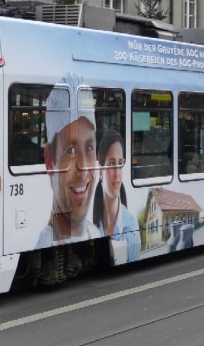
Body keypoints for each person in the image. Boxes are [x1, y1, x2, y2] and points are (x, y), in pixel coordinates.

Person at [36, 74, 100, 247]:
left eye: (89, 148)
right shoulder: (45, 247)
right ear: (49, 160)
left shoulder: (95, 233)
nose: (84, 171)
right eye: (70, 150)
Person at [92, 130, 141, 262]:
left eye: (120, 163)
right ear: (100, 171)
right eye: (112, 164)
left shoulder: (131, 224)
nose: (117, 173)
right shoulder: (90, 226)